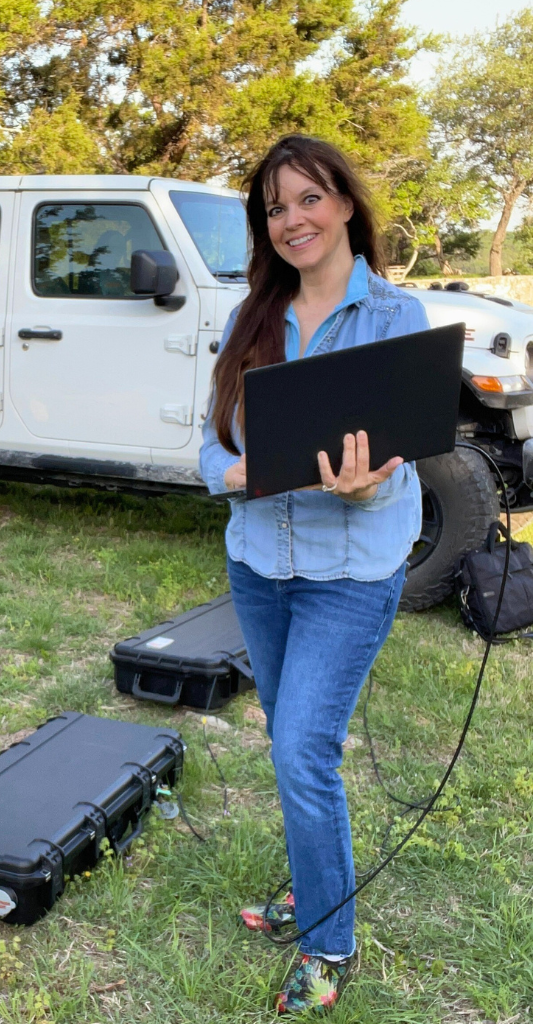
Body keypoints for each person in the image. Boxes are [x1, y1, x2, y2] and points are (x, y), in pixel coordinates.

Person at [199, 135, 428, 1015]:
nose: (292, 219)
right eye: (274, 207)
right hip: (259, 562)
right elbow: (209, 444)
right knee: (287, 738)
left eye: (308, 198)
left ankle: (329, 941)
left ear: (344, 204)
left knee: (303, 748)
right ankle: (314, 882)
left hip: (349, 572)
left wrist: (368, 488)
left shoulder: (394, 317)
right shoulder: (251, 317)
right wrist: (236, 472)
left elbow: (404, 462)